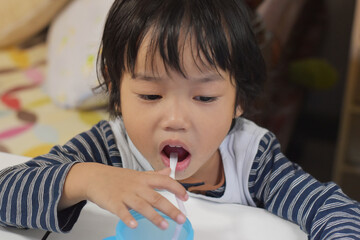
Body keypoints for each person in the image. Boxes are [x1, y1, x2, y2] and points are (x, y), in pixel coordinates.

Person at [0, 0, 359, 239]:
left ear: (240, 100)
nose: (175, 119)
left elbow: (329, 208)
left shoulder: (251, 159)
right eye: (150, 96)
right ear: (116, 88)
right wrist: (87, 178)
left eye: (204, 97)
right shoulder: (108, 150)